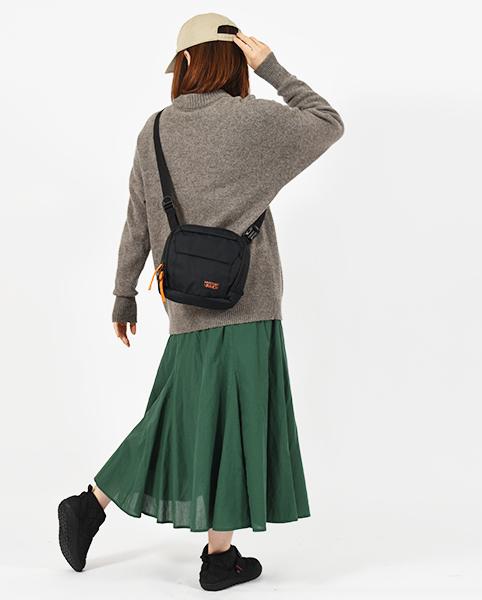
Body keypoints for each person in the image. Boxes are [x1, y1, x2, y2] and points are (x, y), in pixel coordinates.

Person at [57, 12, 344, 591]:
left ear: (186, 62)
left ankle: (184, 541)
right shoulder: (256, 122)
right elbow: (326, 121)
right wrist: (272, 67)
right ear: (236, 62)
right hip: (248, 301)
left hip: (185, 302)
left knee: (187, 417)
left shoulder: (155, 131)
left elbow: (138, 220)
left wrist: (123, 296)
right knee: (224, 423)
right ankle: (121, 518)